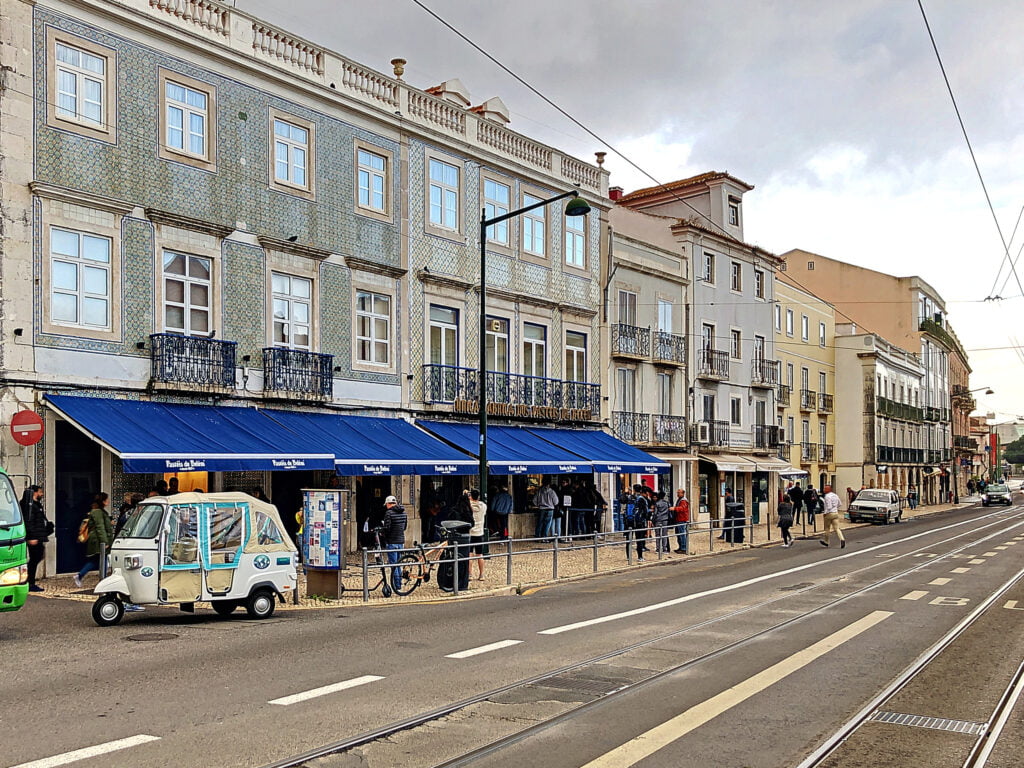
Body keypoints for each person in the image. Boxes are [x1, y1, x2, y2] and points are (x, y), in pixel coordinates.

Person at [74, 493, 112, 587]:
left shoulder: (100, 512)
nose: (109, 501)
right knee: (101, 559)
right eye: (107, 499)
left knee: (97, 560)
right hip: (98, 541)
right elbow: (100, 527)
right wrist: (104, 541)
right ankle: (103, 580)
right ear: (103, 501)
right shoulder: (97, 512)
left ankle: (81, 575)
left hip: (99, 539)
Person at [22, 485, 50, 592]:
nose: (42, 494)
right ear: (34, 493)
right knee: (34, 559)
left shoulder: (36, 505)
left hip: (38, 536)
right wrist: (31, 536)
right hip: (34, 537)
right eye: (40, 492)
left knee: (37, 557)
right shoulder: (29, 506)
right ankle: (30, 582)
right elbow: (28, 522)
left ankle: (29, 580)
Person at [380, 495, 407, 592]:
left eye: (386, 504)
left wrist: (382, 533)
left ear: (388, 504)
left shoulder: (389, 513)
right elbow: (404, 527)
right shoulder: (404, 512)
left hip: (392, 542)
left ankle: (396, 586)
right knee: (398, 564)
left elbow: (387, 528)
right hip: (401, 541)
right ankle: (398, 584)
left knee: (394, 565)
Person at [627, 485, 652, 562]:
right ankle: (640, 556)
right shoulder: (643, 500)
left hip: (630, 520)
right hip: (639, 522)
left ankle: (628, 556)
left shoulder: (630, 497)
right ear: (646, 492)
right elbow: (645, 512)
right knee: (639, 540)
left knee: (628, 539)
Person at [468, 488, 487, 581]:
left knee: (470, 555)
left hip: (470, 533)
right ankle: (481, 575)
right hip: (479, 533)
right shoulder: (483, 506)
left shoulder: (469, 506)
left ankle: (470, 575)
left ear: (471, 496)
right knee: (480, 555)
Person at [820, 484, 845, 549]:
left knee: (827, 528)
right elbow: (840, 504)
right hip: (835, 513)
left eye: (825, 488)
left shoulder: (827, 496)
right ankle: (842, 539)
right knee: (837, 528)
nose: (824, 490)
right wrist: (835, 508)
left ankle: (826, 541)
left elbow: (829, 507)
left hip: (829, 514)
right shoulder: (835, 495)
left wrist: (825, 513)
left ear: (828, 489)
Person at [672, 488, 690, 554]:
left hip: (681, 519)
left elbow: (682, 508)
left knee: (682, 534)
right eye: (677, 492)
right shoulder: (679, 500)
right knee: (678, 534)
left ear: (682, 493)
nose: (677, 494)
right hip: (678, 519)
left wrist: (674, 508)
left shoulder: (683, 501)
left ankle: (684, 548)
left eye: (679, 493)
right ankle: (680, 547)